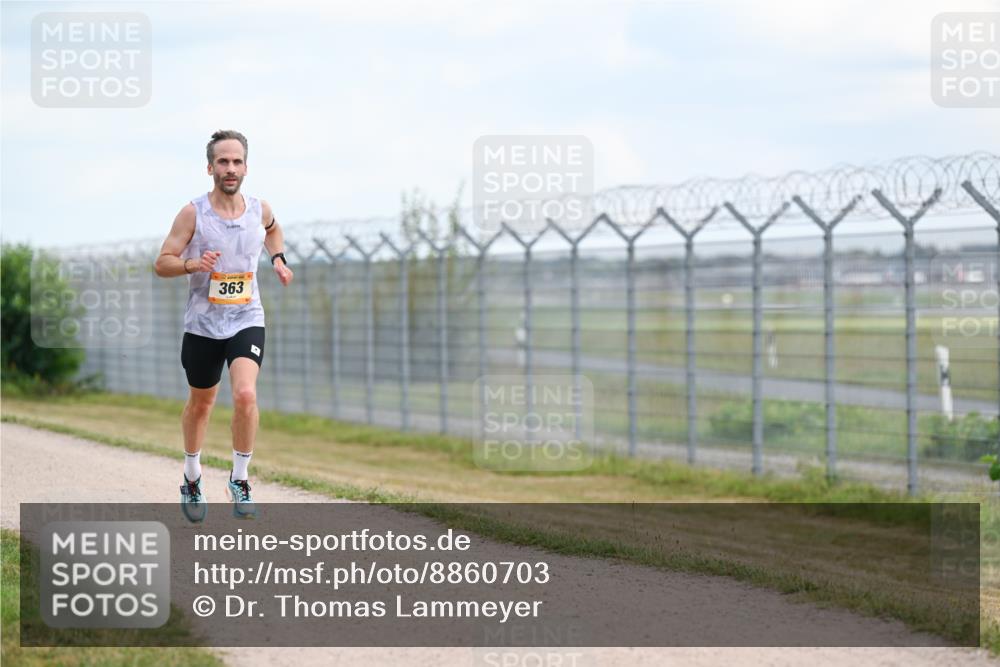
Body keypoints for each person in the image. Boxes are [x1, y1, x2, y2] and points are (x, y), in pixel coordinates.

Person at [154, 130, 293, 521]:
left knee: (246, 394)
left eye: (236, 161)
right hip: (203, 324)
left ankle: (240, 478)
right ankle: (193, 476)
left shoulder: (258, 209)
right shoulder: (193, 213)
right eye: (222, 162)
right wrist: (191, 264)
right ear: (210, 167)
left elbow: (273, 230)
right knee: (202, 404)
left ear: (246, 166)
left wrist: (278, 259)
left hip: (247, 317)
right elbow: (161, 261)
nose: (230, 168)